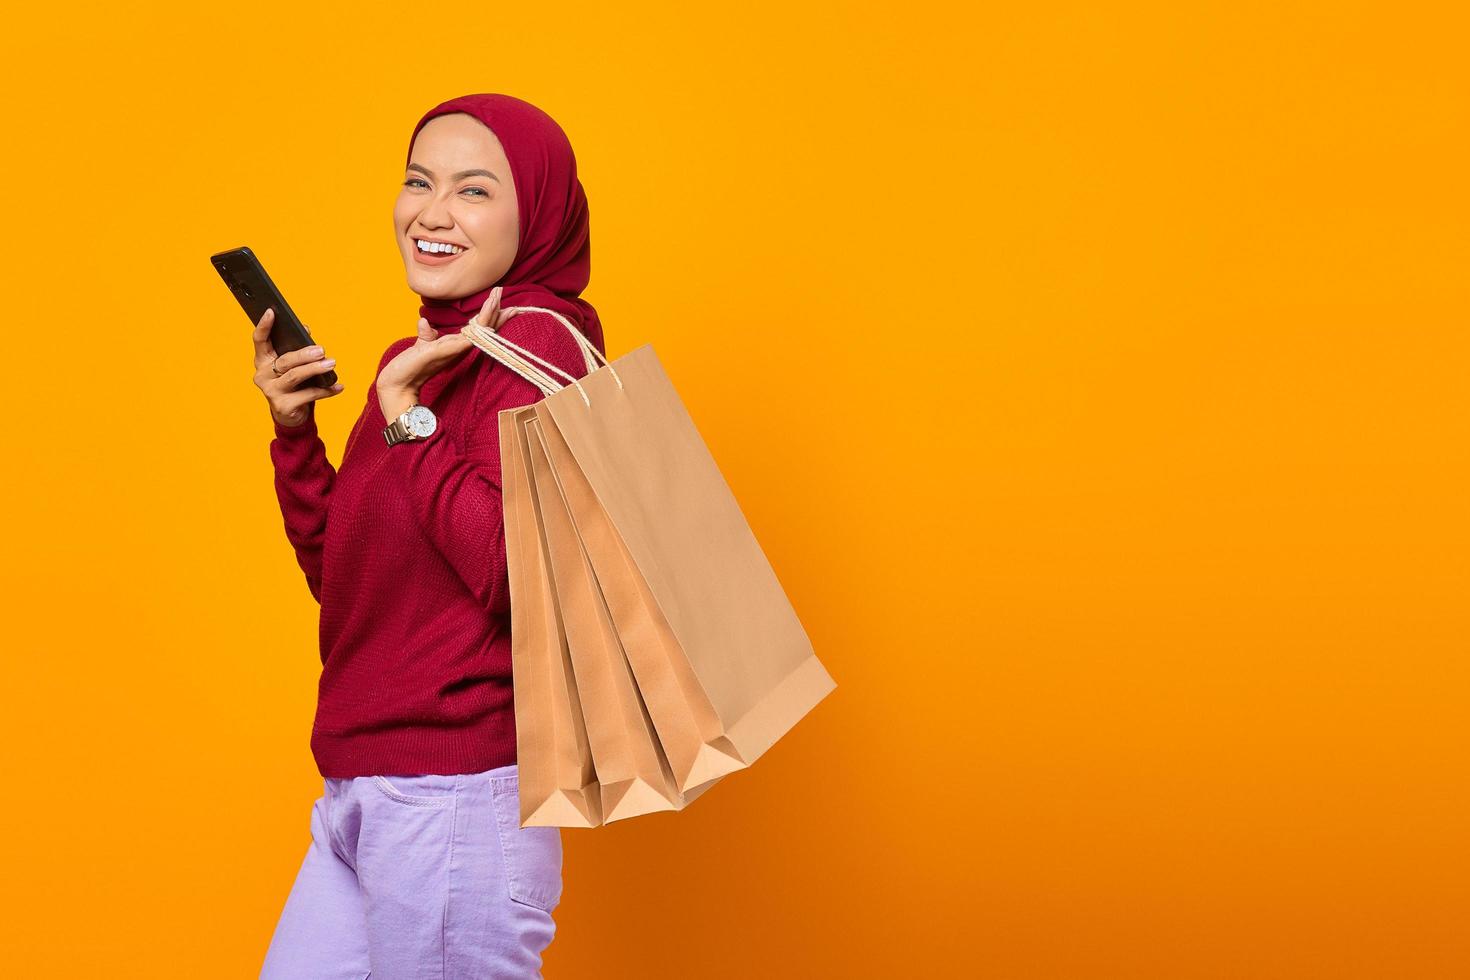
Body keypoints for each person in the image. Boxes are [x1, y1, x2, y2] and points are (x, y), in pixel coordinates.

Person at [253, 93, 604, 979]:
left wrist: (408, 419)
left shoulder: (539, 354)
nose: (432, 213)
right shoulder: (412, 360)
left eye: (475, 191)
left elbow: (508, 570)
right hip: (358, 786)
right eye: (419, 181)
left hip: (454, 799)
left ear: (537, 218)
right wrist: (297, 437)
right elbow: (345, 581)